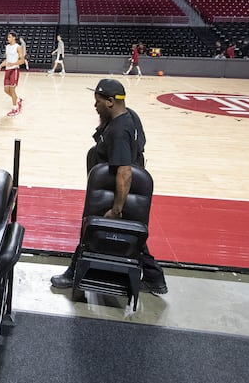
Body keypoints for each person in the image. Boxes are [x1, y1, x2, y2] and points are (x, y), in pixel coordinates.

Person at [51, 78, 168, 295]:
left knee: (90, 230)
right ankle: (155, 278)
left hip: (116, 190)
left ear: (111, 102)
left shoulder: (119, 131)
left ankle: (74, 272)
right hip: (119, 188)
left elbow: (124, 171)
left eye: (98, 102)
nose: (95, 105)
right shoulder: (129, 115)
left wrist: (116, 209)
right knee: (132, 236)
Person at [0, 30, 25, 116]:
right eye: (8, 37)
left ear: (14, 38)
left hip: (14, 70)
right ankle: (18, 100)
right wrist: (1, 65)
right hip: (7, 70)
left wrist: (14, 63)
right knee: (6, 90)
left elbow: (22, 60)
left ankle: (15, 108)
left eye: (9, 37)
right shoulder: (7, 47)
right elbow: (7, 59)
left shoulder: (18, 47)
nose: (8, 38)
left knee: (12, 89)